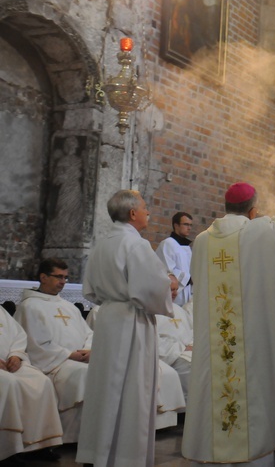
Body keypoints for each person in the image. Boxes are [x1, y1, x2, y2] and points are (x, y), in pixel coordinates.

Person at [183, 183, 275, 466]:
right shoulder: (261, 230)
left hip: (215, 339)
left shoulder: (202, 240)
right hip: (252, 339)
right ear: (253, 211)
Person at [76, 189, 175, 467]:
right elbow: (151, 288)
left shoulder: (103, 244)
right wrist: (170, 285)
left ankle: (97, 453)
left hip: (108, 319)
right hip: (132, 321)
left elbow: (91, 290)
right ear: (133, 213)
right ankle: (124, 457)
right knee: (133, 388)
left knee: (104, 388)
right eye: (144, 208)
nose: (147, 213)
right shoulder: (136, 245)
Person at [14, 258, 93, 444]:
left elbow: (88, 332)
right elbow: (36, 344)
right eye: (59, 276)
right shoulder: (30, 306)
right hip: (55, 364)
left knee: (100, 371)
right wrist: (69, 354)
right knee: (84, 374)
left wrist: (89, 349)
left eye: (66, 277)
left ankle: (91, 436)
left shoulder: (69, 307)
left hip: (78, 359)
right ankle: (71, 437)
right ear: (43, 277)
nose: (63, 281)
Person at [0, 305, 63, 462]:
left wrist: (16, 355)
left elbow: (18, 335)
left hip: (10, 362)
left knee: (42, 382)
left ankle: (39, 445)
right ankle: (8, 449)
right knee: (9, 382)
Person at [156, 296, 193, 401]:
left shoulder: (178, 309)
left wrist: (191, 345)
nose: (175, 293)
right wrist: (182, 348)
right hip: (171, 354)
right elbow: (154, 341)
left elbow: (191, 331)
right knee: (189, 366)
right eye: (171, 289)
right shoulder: (153, 311)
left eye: (176, 289)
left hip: (185, 350)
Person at [156, 211, 194, 306]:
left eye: (190, 225)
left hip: (188, 292)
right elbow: (167, 270)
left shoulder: (187, 248)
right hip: (174, 295)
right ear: (176, 225)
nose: (189, 228)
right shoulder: (167, 244)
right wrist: (189, 279)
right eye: (186, 224)